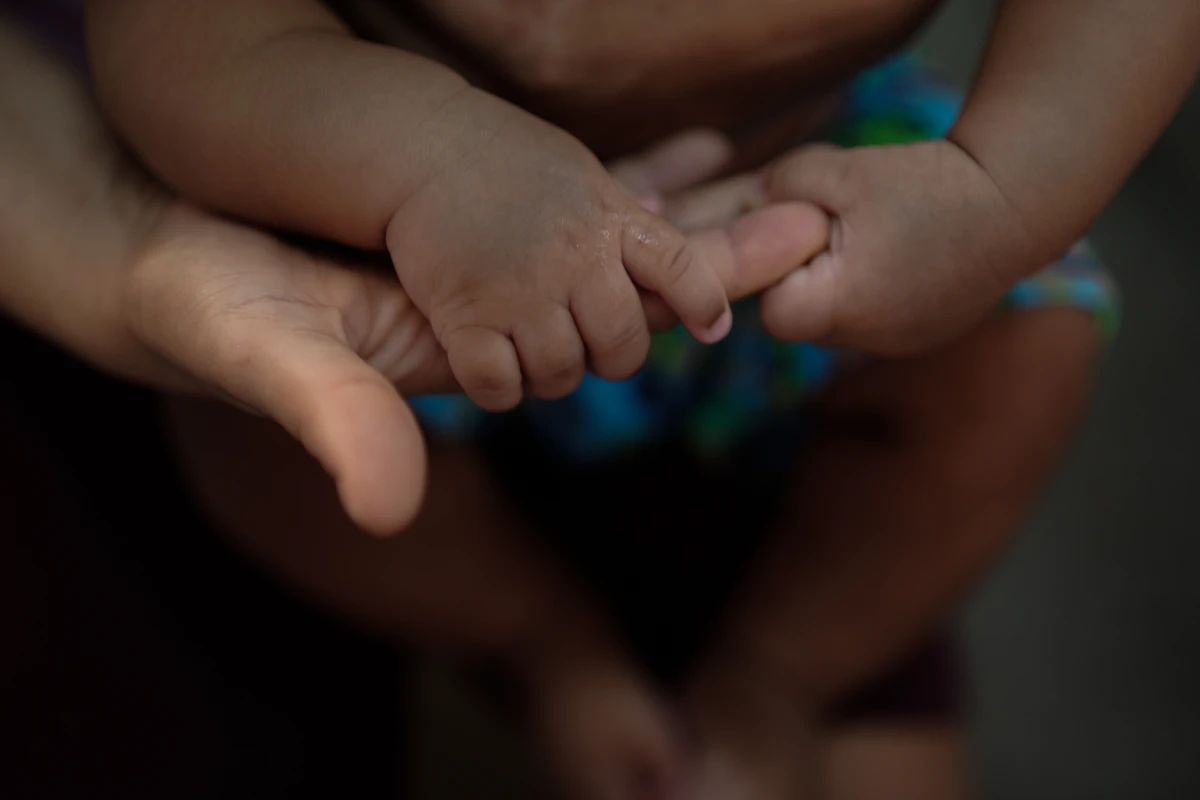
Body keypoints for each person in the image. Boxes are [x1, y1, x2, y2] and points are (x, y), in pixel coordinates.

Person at [81, 0, 1157, 797]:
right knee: (249, 391)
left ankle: (778, 669)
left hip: (815, 185)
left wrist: (1001, 189)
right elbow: (173, 30)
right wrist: (432, 159)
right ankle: (540, 638)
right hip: (387, 215)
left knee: (1031, 333)